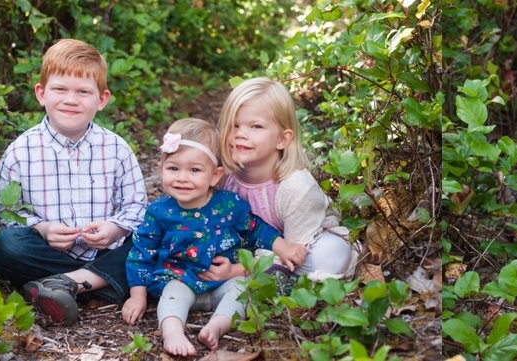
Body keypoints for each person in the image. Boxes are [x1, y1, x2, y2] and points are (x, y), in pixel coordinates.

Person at [0, 38, 148, 326]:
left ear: (101, 99)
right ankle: (100, 283)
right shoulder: (20, 151)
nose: (71, 100)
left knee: (152, 240)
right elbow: (2, 216)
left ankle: (65, 285)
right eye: (60, 89)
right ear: (41, 93)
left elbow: (137, 208)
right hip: (46, 253)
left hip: (106, 249)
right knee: (6, 246)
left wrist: (114, 229)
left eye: (83, 92)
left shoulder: (116, 148)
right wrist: (43, 228)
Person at [121, 118, 283, 356]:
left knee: (243, 289)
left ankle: (218, 325)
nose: (182, 178)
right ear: (161, 169)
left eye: (195, 170)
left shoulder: (230, 205)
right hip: (179, 279)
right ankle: (173, 330)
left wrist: (281, 245)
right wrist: (137, 295)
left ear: (215, 176)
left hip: (222, 282)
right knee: (172, 295)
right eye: (173, 168)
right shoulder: (159, 211)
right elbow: (141, 252)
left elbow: (255, 230)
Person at [198, 77, 358, 284]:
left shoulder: (296, 186)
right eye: (234, 125)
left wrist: (237, 270)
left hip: (302, 245)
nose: (240, 134)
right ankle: (248, 274)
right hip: (249, 248)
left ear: (282, 139)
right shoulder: (225, 176)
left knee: (329, 255)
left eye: (255, 126)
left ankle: (249, 274)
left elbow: (295, 252)